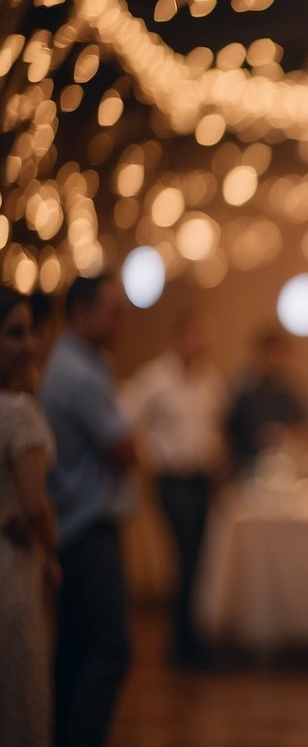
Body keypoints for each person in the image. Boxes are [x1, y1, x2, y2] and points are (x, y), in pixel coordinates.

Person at [40, 274, 139, 747]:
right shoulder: (77, 372)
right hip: (85, 527)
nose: (121, 322)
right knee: (110, 650)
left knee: (76, 651)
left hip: (77, 523)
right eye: (113, 312)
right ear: (81, 313)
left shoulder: (84, 363)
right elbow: (123, 448)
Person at [120, 308, 227, 669]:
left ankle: (189, 640)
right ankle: (181, 645)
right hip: (173, 481)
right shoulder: (156, 378)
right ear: (180, 337)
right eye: (197, 335)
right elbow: (125, 418)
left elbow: (215, 429)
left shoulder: (209, 380)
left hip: (202, 479)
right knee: (184, 559)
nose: (204, 343)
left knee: (199, 561)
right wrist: (148, 459)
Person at [0, 285, 60, 747]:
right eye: (15, 334)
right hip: (11, 567)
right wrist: (54, 548)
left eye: (31, 331)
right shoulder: (18, 412)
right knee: (17, 698)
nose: (31, 344)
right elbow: (34, 503)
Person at [224, 325, 308, 480]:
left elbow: (303, 426)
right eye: (270, 353)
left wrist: (284, 434)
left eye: (279, 353)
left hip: (282, 468)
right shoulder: (245, 390)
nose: (274, 359)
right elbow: (230, 430)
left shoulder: (289, 391)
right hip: (247, 465)